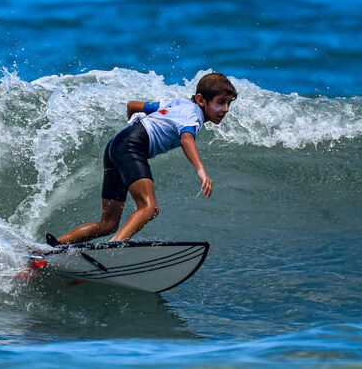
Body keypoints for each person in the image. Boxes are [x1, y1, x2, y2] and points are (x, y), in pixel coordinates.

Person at [48, 72, 238, 246]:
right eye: (220, 103)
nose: (226, 109)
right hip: (132, 147)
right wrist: (201, 171)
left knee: (108, 223)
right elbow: (186, 138)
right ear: (201, 100)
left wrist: (132, 129)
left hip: (116, 144)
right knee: (149, 208)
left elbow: (133, 106)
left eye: (228, 103)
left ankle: (56, 246)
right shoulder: (193, 116)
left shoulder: (178, 104)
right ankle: (112, 248)